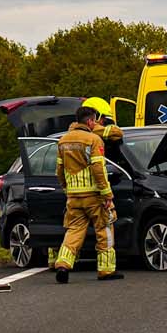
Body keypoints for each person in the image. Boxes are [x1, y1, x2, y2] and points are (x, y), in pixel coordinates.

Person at [51, 104, 123, 284]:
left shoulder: (63, 141)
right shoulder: (93, 140)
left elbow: (59, 170)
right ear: (90, 121)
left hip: (74, 197)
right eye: (94, 121)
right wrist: (107, 194)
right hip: (94, 195)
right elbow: (98, 168)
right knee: (104, 228)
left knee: (74, 231)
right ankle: (106, 270)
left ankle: (63, 264)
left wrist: (66, 188)